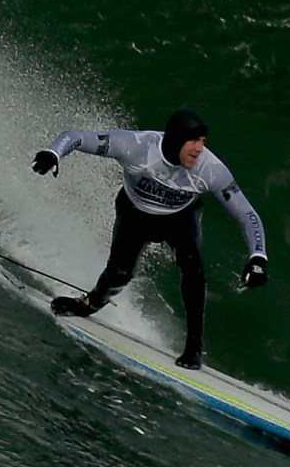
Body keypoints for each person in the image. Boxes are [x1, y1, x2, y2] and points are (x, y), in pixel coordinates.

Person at [32, 107, 268, 368]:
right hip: (135, 212)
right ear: (177, 138)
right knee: (120, 273)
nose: (200, 148)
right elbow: (77, 137)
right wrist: (54, 152)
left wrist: (257, 257)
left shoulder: (210, 169)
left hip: (180, 218)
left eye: (203, 142)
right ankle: (88, 304)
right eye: (194, 141)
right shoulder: (136, 146)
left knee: (193, 270)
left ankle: (194, 347)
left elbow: (247, 214)